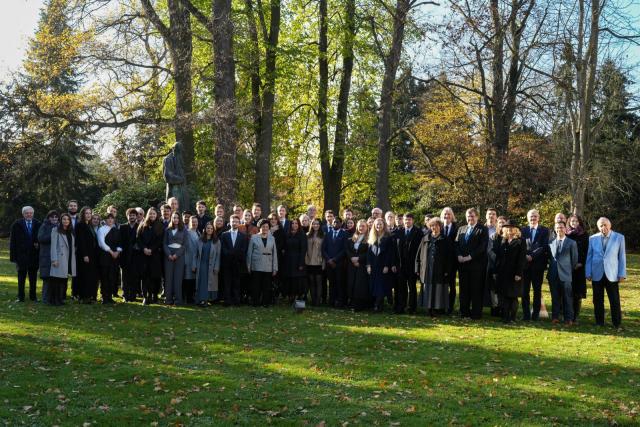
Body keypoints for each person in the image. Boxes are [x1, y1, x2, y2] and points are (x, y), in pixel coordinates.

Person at [586, 217, 626, 328]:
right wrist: (588, 272)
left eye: (605, 225)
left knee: (614, 300)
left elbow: (622, 257)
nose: (603, 227)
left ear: (610, 225)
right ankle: (599, 322)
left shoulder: (619, 238)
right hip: (596, 273)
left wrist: (622, 274)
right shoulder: (592, 238)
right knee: (597, 300)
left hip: (612, 274)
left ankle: (616, 323)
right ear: (598, 227)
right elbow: (589, 257)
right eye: (601, 225)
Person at [455, 208, 488, 319]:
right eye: (468, 216)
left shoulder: (482, 229)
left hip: (476, 265)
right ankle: (464, 312)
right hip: (463, 265)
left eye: (472, 216)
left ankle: (476, 313)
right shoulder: (461, 229)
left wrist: (470, 257)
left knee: (476, 290)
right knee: (464, 290)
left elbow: (482, 247)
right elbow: (456, 244)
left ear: (477, 217)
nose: (470, 218)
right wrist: (459, 255)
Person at [415, 217, 453, 316]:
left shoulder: (445, 240)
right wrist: (417, 268)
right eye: (431, 226)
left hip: (440, 269)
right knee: (427, 288)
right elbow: (418, 255)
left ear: (440, 227)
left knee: (438, 289)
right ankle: (429, 308)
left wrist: (447, 270)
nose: (434, 228)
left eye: (436, 225)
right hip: (426, 269)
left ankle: (437, 309)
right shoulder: (425, 238)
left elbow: (449, 257)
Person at [493, 220, 527, 323]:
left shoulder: (521, 241)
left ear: (516, 229)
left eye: (512, 228)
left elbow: (521, 259)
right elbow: (498, 257)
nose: (510, 229)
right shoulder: (502, 240)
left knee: (513, 296)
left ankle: (512, 317)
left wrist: (518, 273)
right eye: (508, 227)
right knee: (503, 296)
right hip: (503, 272)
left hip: (514, 273)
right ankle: (504, 316)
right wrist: (496, 270)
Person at [521, 209, 549, 321]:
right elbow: (520, 245)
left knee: (537, 291)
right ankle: (526, 315)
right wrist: (526, 255)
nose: (533, 219)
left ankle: (536, 314)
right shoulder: (523, 230)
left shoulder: (544, 230)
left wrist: (532, 255)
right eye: (531, 217)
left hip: (538, 265)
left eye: (535, 216)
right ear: (528, 218)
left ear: (538, 217)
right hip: (525, 266)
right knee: (524, 291)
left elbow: (543, 246)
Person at [547, 221, 578, 325]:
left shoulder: (571, 243)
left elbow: (574, 260)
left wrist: (568, 270)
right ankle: (555, 317)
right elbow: (549, 258)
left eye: (561, 227)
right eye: (557, 228)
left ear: (565, 229)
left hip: (566, 275)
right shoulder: (550, 242)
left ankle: (568, 318)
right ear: (555, 230)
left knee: (567, 298)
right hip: (553, 274)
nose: (559, 229)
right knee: (555, 297)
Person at [9, 206, 41, 302]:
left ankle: (33, 297)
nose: (29, 215)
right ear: (23, 214)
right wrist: (13, 257)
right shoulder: (16, 224)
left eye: (31, 213)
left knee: (33, 278)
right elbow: (13, 242)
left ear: (33, 213)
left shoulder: (38, 223)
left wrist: (38, 245)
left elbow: (40, 238)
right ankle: (20, 297)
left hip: (34, 256)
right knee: (21, 278)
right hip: (21, 256)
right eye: (27, 213)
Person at [246, 219, 279, 307]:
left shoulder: (272, 238)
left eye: (267, 227)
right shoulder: (253, 237)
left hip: (268, 265)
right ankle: (255, 302)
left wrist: (275, 268)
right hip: (256, 265)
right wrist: (248, 266)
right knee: (256, 286)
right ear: (259, 228)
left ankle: (266, 302)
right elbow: (249, 253)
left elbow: (274, 254)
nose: (265, 228)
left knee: (267, 286)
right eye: (263, 227)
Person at [397, 213, 423, 314]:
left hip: (412, 265)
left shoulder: (418, 232)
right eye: (405, 220)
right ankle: (401, 307)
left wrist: (418, 265)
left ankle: (412, 308)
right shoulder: (399, 232)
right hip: (401, 265)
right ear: (403, 221)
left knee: (412, 287)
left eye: (409, 220)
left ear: (413, 221)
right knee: (401, 288)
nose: (407, 221)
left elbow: (420, 250)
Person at [136, 208, 164, 305]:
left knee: (154, 277)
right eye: (150, 214)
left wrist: (151, 249)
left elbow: (160, 241)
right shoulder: (143, 225)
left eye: (154, 214)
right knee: (145, 277)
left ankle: (154, 295)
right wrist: (144, 249)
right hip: (143, 255)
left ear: (156, 215)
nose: (152, 215)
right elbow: (138, 238)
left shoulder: (160, 226)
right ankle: (145, 296)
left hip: (154, 255)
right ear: (148, 214)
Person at [220, 215, 249, 306]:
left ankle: (237, 301)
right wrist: (230, 254)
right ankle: (227, 301)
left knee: (237, 283)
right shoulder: (224, 235)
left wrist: (235, 255)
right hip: (227, 263)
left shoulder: (243, 236)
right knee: (227, 282)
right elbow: (223, 249)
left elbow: (243, 250)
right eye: (233, 221)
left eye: (236, 221)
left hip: (238, 263)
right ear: (230, 222)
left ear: (239, 223)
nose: (234, 223)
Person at [367, 218, 394, 312]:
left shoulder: (388, 237)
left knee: (381, 286)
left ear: (384, 225)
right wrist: (368, 265)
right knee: (374, 285)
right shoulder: (371, 237)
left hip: (382, 266)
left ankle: (378, 305)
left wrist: (387, 266)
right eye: (377, 224)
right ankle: (376, 304)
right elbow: (369, 253)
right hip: (373, 265)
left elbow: (389, 253)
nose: (378, 226)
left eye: (380, 224)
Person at [49, 213, 76, 306]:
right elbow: (53, 246)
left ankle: (60, 299)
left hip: (68, 259)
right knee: (56, 280)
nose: (66, 221)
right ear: (61, 220)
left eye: (68, 220)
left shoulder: (71, 231)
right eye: (64, 219)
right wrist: (54, 259)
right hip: (59, 258)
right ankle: (54, 300)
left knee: (63, 280)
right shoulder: (55, 230)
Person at [566, 214, 589, 322]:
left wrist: (581, 263)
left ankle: (575, 316)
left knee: (577, 293)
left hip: (579, 269)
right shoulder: (566, 235)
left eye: (576, 221)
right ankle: (568, 315)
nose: (574, 223)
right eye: (572, 221)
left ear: (579, 222)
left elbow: (587, 251)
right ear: (569, 223)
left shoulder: (584, 235)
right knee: (567, 293)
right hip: (567, 268)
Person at [193, 221, 221, 307]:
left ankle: (206, 300)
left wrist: (216, 267)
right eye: (208, 228)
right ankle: (200, 300)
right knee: (201, 283)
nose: (210, 230)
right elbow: (195, 254)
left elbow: (218, 256)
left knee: (209, 283)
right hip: (201, 265)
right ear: (205, 229)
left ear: (213, 230)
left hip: (211, 265)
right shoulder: (200, 240)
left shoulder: (217, 241)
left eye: (211, 228)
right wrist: (194, 265)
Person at [322, 217, 348, 307]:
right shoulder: (328, 234)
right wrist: (329, 259)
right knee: (331, 283)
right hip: (329, 263)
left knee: (339, 283)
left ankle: (340, 301)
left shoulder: (345, 234)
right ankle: (331, 301)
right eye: (333, 222)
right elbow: (323, 249)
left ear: (341, 224)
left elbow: (345, 250)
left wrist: (335, 259)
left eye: (337, 222)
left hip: (339, 263)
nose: (335, 224)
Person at [76, 207, 99, 304]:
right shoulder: (80, 225)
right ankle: (83, 297)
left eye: (90, 213)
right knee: (84, 276)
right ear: (83, 214)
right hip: (84, 255)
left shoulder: (89, 224)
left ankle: (88, 296)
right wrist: (85, 255)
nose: (89, 215)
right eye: (86, 213)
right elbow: (81, 241)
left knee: (90, 276)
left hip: (92, 254)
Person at [346, 220, 370, 311]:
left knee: (359, 285)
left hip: (362, 265)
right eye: (360, 226)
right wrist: (352, 258)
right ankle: (351, 303)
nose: (361, 228)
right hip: (352, 264)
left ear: (367, 227)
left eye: (363, 226)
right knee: (351, 283)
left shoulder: (369, 238)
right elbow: (347, 249)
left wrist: (358, 259)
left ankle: (359, 305)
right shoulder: (353, 237)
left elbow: (369, 252)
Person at [163, 212, 187, 305]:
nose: (175, 219)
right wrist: (169, 254)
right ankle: (168, 299)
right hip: (168, 255)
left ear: (179, 219)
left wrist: (177, 254)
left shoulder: (184, 230)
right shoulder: (167, 230)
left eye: (177, 218)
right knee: (168, 278)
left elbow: (184, 245)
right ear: (171, 219)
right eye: (174, 218)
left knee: (178, 278)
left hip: (179, 255)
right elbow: (164, 243)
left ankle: (178, 300)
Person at [97, 214, 121, 304]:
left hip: (114, 258)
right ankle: (104, 297)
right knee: (104, 277)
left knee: (112, 277)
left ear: (114, 220)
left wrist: (117, 252)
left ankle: (110, 297)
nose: (110, 220)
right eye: (108, 218)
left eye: (112, 218)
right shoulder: (101, 229)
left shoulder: (116, 230)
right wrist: (111, 252)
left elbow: (120, 242)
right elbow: (102, 243)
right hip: (104, 256)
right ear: (105, 220)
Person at [283, 219, 308, 302]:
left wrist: (301, 263)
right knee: (289, 279)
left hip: (298, 260)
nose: (294, 225)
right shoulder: (287, 234)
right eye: (292, 223)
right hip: (288, 260)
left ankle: (298, 296)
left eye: (296, 223)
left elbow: (303, 249)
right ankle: (290, 296)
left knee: (297, 280)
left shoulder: (302, 234)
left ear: (299, 224)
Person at [119, 208, 141, 302]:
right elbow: (119, 241)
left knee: (134, 276)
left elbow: (141, 240)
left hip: (136, 256)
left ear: (136, 216)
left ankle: (133, 295)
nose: (132, 217)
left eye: (133, 215)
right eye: (130, 215)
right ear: (127, 216)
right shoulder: (122, 227)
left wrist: (138, 245)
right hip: (124, 255)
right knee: (125, 277)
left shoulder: (140, 226)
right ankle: (125, 295)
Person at [38, 210, 58, 304]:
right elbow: (41, 238)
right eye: (52, 217)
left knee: (55, 279)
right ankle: (45, 299)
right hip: (46, 256)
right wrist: (53, 236)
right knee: (47, 279)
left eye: (56, 217)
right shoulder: (44, 226)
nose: (54, 219)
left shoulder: (59, 226)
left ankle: (54, 299)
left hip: (57, 256)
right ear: (48, 218)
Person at [440, 207, 458, 315]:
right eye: (445, 214)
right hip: (440, 262)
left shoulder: (457, 228)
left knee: (452, 285)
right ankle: (441, 306)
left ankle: (450, 307)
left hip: (452, 262)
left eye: (449, 214)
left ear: (452, 216)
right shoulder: (438, 228)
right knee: (441, 285)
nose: (447, 216)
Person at [305, 218, 325, 306]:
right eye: (314, 224)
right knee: (311, 281)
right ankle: (313, 300)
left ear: (320, 225)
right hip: (309, 261)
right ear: (311, 225)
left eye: (317, 224)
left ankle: (318, 301)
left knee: (318, 281)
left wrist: (323, 262)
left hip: (319, 261)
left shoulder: (323, 235)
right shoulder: (307, 235)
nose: (315, 225)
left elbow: (324, 250)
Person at [484, 208, 500, 316]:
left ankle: (495, 308)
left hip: (495, 262)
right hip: (482, 262)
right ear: (486, 216)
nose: (491, 216)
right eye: (489, 214)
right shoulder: (481, 228)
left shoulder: (499, 230)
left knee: (495, 286)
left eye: (493, 214)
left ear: (496, 217)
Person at [183, 216, 200, 304]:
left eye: (196, 222)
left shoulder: (198, 232)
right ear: (189, 223)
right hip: (188, 259)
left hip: (195, 259)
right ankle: (188, 299)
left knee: (193, 280)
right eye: (192, 222)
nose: (194, 223)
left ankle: (191, 298)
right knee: (188, 279)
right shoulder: (187, 233)